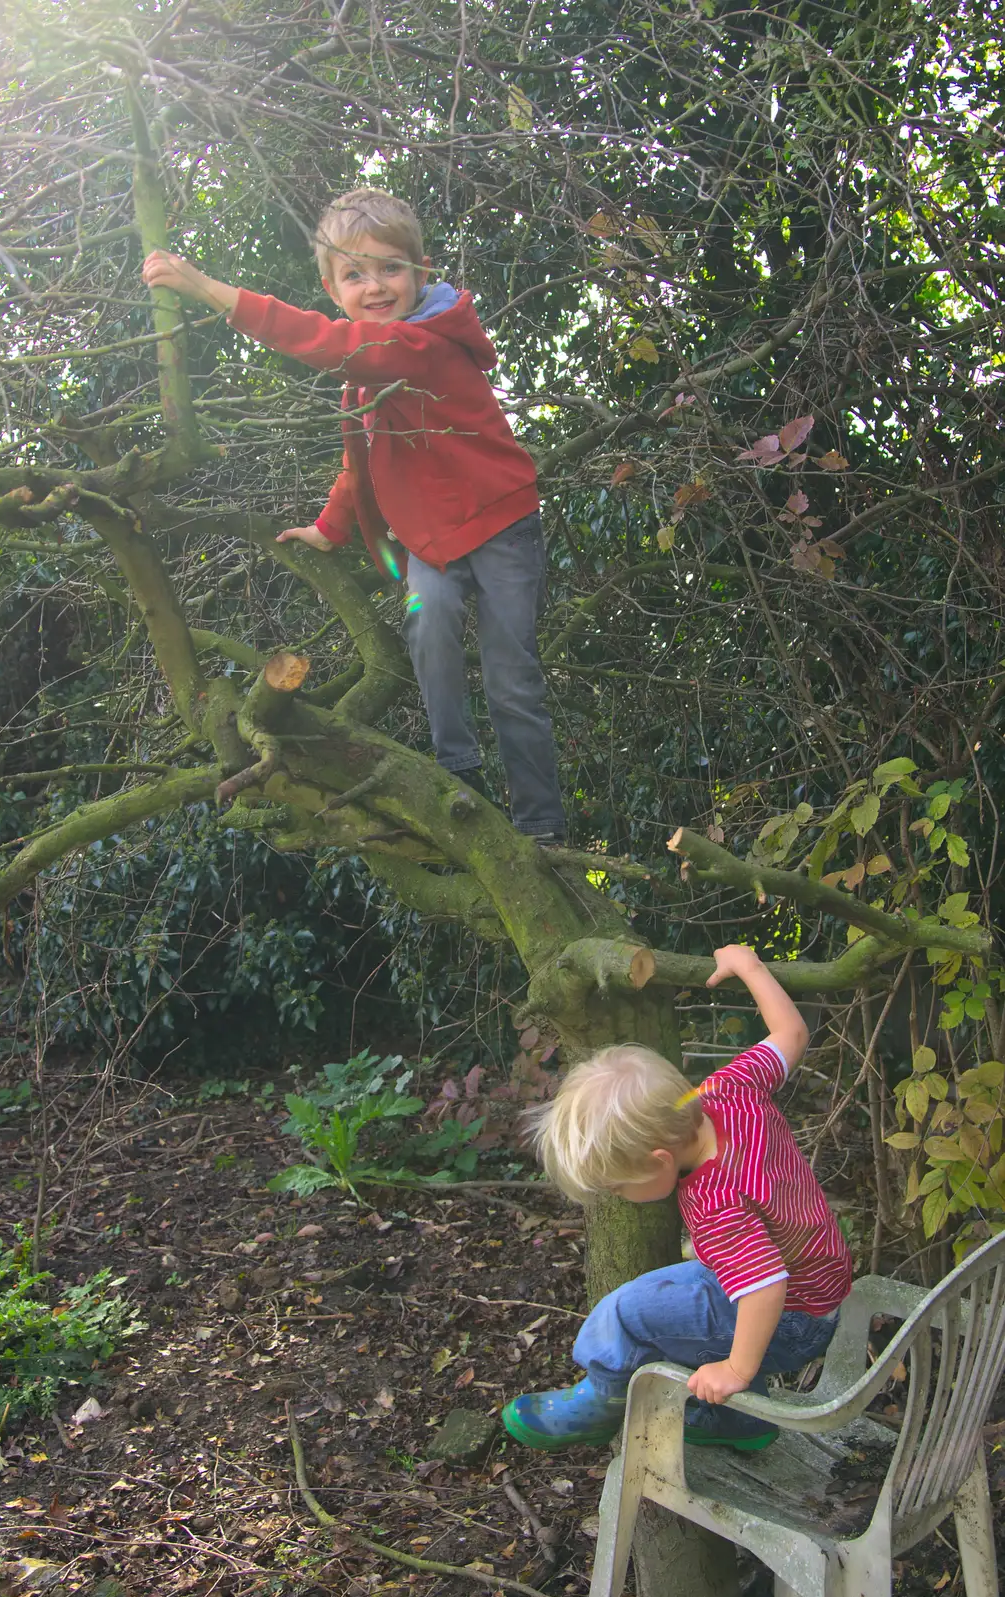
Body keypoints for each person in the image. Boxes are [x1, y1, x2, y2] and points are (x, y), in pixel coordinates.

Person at [142, 188, 566, 844]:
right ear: (330, 285)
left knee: (511, 682)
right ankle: (459, 770)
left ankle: (541, 827)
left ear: (420, 273)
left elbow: (319, 340)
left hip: (501, 527)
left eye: (391, 268)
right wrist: (329, 527)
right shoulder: (366, 375)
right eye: (354, 275)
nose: (374, 286)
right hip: (432, 543)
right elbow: (361, 463)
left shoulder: (417, 344)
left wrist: (205, 287)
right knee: (429, 631)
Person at [502, 943, 852, 1453]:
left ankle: (601, 1400)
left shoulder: (717, 1200)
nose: (618, 1198)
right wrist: (749, 967)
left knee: (626, 1312)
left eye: (620, 1186)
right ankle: (736, 1420)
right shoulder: (727, 1090)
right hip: (820, 1285)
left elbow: (765, 1289)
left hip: (790, 1318)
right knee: (687, 1287)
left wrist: (737, 1368)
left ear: (662, 1160)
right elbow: (790, 1034)